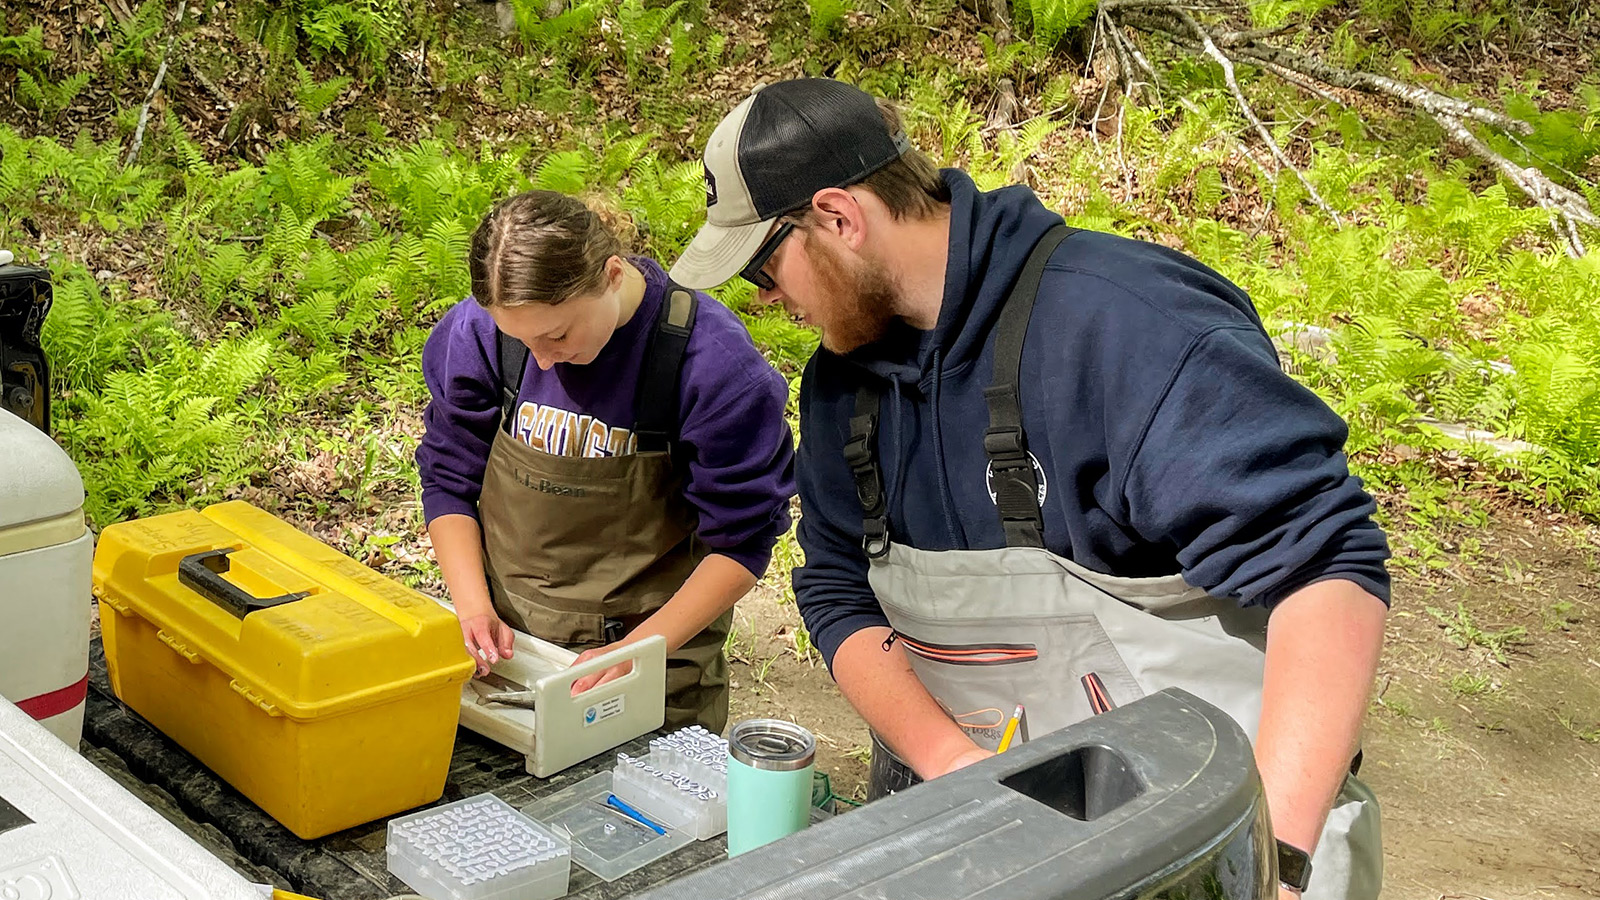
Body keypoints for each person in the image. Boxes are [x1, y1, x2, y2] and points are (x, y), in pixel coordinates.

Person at [669, 78, 1387, 899]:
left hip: (1214, 841)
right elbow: (837, 591)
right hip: (995, 833)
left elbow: (1326, 569)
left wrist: (1270, 861)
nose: (766, 299)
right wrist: (955, 769)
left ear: (839, 217)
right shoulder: (842, 390)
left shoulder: (1124, 323)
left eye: (764, 267)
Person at [416, 190, 796, 732]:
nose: (543, 359)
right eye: (520, 340)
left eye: (558, 335)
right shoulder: (478, 335)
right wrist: (474, 607)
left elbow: (742, 544)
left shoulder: (712, 368)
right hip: (512, 652)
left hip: (654, 664)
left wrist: (634, 654)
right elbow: (448, 479)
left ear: (613, 274)